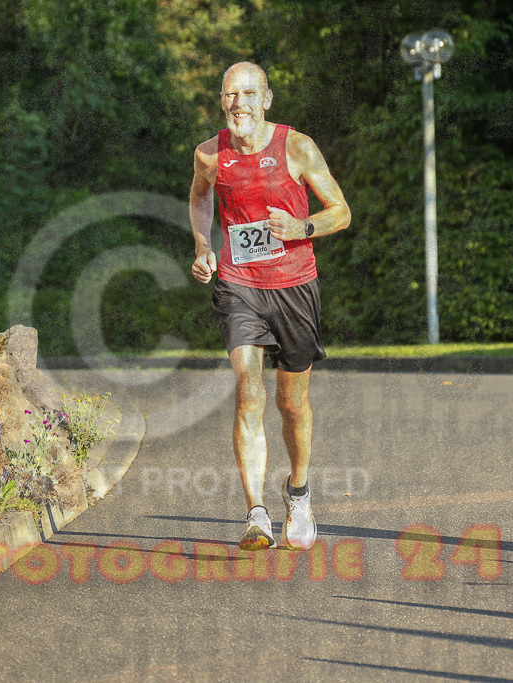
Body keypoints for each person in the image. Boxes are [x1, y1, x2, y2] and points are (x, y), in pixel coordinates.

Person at [189, 62, 351, 551]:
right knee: (248, 390)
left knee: (291, 404)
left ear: (266, 99)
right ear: (221, 101)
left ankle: (297, 492)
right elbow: (199, 198)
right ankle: (255, 514)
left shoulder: (296, 147)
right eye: (229, 94)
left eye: (247, 94)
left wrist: (302, 228)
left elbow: (341, 212)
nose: (237, 103)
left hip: (295, 286)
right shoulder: (209, 154)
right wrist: (203, 245)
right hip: (239, 285)